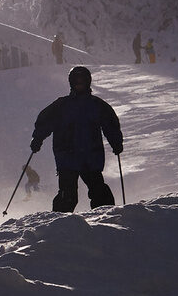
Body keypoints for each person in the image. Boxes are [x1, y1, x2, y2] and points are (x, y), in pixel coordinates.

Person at [31, 66, 123, 213]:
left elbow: (110, 124)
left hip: (90, 156)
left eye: (82, 80)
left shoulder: (96, 105)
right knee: (68, 195)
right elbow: (45, 122)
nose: (79, 83)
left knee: (98, 191)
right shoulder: (62, 105)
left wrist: (116, 142)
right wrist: (37, 139)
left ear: (88, 82)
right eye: (76, 80)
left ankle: (106, 219)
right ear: (71, 82)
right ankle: (61, 224)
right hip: (68, 157)